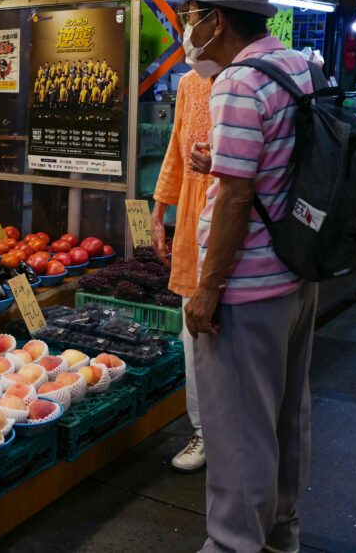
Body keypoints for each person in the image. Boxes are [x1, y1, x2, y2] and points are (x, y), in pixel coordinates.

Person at [174, 0, 318, 553]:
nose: (188, 26)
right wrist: (223, 163)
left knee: (236, 433)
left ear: (217, 20)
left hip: (247, 288)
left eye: (192, 13)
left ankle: (234, 544)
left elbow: (234, 199)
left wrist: (207, 288)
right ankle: (282, 534)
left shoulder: (237, 81)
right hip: (295, 275)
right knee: (287, 415)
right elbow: (275, 164)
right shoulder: (296, 65)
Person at [150, 66, 215, 473]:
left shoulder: (249, 79)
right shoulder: (190, 83)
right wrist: (159, 212)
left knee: (235, 331)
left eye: (193, 16)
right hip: (193, 220)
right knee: (193, 333)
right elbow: (176, 149)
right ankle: (203, 430)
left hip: (236, 214)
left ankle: (237, 430)